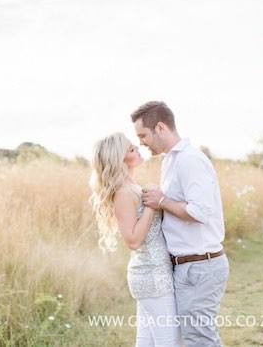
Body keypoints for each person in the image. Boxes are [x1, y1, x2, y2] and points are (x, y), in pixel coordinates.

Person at [131, 100, 228, 347]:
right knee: (191, 338)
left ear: (160, 127)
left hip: (201, 265)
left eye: (143, 135)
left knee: (200, 338)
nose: (141, 142)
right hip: (184, 266)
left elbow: (200, 212)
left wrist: (162, 200)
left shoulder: (190, 160)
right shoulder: (169, 161)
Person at [89, 132, 181, 347]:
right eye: (131, 149)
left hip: (155, 272)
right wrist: (151, 206)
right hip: (151, 276)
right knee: (170, 342)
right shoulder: (123, 192)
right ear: (118, 160)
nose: (138, 149)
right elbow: (132, 240)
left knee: (147, 342)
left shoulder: (134, 188)